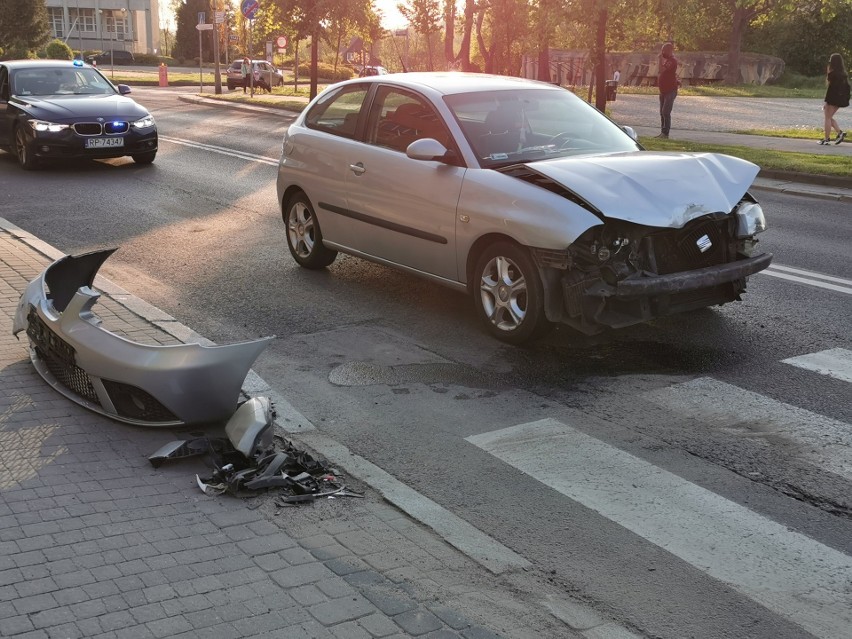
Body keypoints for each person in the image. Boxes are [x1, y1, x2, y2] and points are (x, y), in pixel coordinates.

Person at [819, 52, 850, 145]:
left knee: (827, 118)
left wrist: (827, 102)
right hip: (840, 99)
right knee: (829, 117)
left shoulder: (833, 74)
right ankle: (840, 133)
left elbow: (830, 86)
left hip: (832, 98)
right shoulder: (844, 75)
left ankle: (826, 139)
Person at [656, 42, 678, 139]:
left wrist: (660, 59)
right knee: (662, 112)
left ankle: (666, 133)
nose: (662, 53)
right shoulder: (667, 60)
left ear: (669, 51)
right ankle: (662, 132)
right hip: (663, 91)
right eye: (662, 51)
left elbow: (661, 70)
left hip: (670, 90)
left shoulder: (672, 61)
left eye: (664, 51)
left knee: (666, 112)